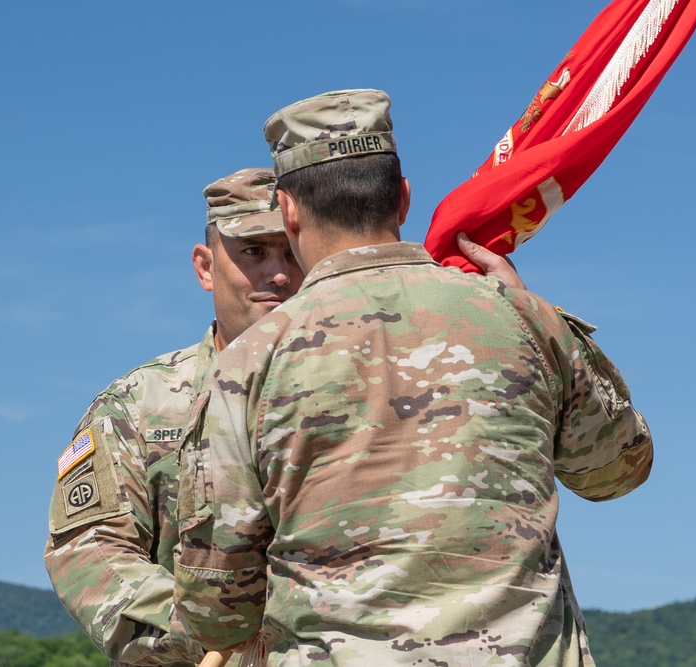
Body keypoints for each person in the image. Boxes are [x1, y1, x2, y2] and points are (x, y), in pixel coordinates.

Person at [173, 90, 653, 666]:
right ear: (402, 198)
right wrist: (526, 317)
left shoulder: (246, 364)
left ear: (289, 210)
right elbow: (617, 470)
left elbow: (216, 609)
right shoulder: (524, 318)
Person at [43, 165, 527, 666]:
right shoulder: (141, 403)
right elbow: (92, 551)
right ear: (205, 267)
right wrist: (207, 634)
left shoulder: (393, 377)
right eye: (253, 252)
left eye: (290, 253)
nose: (278, 274)